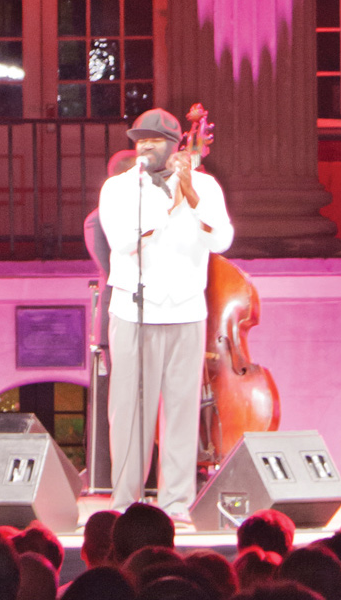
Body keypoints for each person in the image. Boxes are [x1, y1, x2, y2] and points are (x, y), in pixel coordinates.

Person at [99, 108, 234, 521]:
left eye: (153, 140)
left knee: (181, 411)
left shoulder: (205, 186)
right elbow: (122, 243)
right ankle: (126, 504)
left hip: (186, 310)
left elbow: (223, 240)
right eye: (139, 139)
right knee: (129, 413)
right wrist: (169, 202)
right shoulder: (118, 189)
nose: (144, 146)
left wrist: (191, 197)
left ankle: (175, 504)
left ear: (175, 146)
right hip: (134, 310)